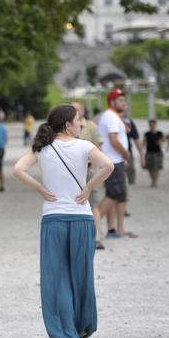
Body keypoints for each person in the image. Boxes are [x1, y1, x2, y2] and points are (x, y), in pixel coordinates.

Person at [13, 104, 113, 338]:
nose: (82, 123)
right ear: (68, 124)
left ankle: (63, 329)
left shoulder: (42, 148)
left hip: (53, 218)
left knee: (56, 276)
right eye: (78, 120)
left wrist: (40, 189)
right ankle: (82, 326)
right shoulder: (85, 146)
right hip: (82, 217)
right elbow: (108, 166)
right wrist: (88, 187)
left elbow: (18, 170)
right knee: (82, 274)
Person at [97, 89, 136, 238]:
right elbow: (114, 141)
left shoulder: (112, 116)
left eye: (124, 100)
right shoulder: (111, 117)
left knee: (118, 195)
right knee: (114, 194)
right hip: (113, 161)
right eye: (120, 100)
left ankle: (117, 229)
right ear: (112, 102)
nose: (124, 102)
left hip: (114, 160)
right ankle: (92, 224)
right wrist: (126, 154)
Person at [74, 101, 105, 250]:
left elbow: (98, 146)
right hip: (72, 170)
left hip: (87, 169)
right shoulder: (66, 127)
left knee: (93, 203)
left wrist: (93, 167)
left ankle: (97, 236)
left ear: (83, 110)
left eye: (77, 109)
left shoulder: (90, 127)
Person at [122, 116, 145, 185]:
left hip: (127, 151)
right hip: (113, 153)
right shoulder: (109, 119)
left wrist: (141, 155)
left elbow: (136, 139)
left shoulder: (128, 121)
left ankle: (130, 183)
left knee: (130, 169)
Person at [143, 119, 165, 188]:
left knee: (156, 168)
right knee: (150, 168)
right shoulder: (147, 134)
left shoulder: (159, 133)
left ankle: (155, 181)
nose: (152, 126)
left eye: (153, 125)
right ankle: (153, 180)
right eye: (150, 125)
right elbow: (144, 142)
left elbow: (163, 140)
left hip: (157, 152)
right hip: (149, 152)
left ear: (155, 125)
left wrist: (161, 142)